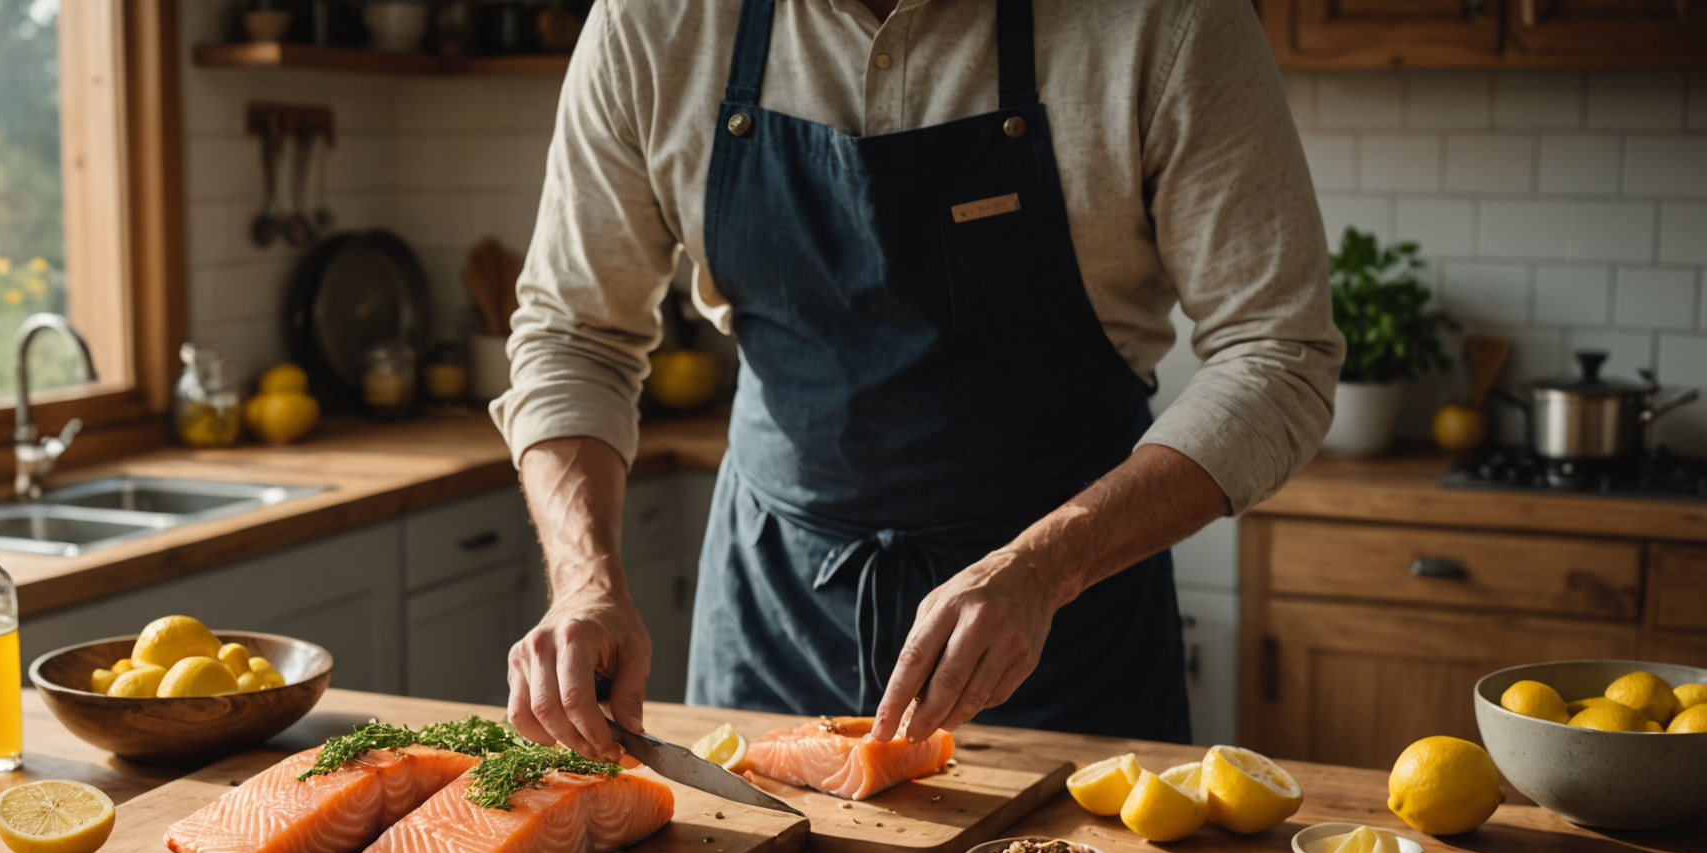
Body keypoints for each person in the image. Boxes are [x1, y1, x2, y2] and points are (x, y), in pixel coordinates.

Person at [491, 0, 1341, 761]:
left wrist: (1044, 569)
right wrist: (586, 581)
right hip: (773, 617)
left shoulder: (1166, 20)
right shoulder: (653, 21)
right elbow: (574, 334)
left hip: (1064, 628)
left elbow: (1278, 352)